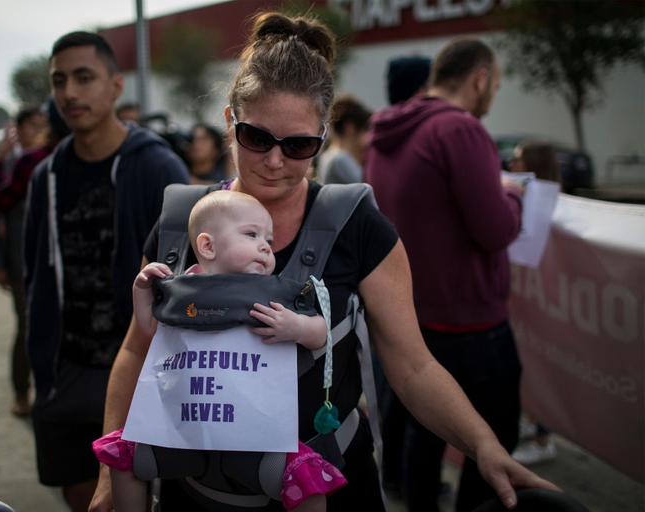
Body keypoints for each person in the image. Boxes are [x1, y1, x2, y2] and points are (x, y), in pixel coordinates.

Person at [91, 13, 558, 512]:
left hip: (331, 486)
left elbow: (413, 366)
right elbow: (137, 353)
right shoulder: (183, 222)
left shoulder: (357, 225)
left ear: (323, 135)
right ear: (230, 120)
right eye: (256, 137)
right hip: (198, 494)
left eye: (298, 146)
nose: (274, 161)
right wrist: (107, 476)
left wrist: (483, 446)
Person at [93, 190, 347, 512]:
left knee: (310, 487)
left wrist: (297, 328)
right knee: (122, 457)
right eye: (252, 234)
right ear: (207, 246)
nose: (266, 246)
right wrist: (141, 290)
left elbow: (321, 336)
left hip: (259, 440)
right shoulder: (180, 289)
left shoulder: (275, 294)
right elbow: (151, 332)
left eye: (268, 239)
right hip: (183, 427)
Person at [23, 31, 190, 512]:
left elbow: (189, 277)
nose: (70, 93)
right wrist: (41, 367)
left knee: (140, 497)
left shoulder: (157, 167)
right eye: (59, 81)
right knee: (79, 493)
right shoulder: (45, 177)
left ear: (116, 85)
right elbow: (35, 277)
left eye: (84, 77)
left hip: (138, 367)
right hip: (65, 367)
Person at [364, 37, 528, 512]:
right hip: (473, 322)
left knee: (427, 430)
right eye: (495, 84)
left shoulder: (387, 130)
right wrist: (511, 192)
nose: (492, 95)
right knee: (493, 438)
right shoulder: (460, 130)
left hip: (414, 313)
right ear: (479, 79)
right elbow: (495, 229)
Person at [370, 53, 433, 499]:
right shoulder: (436, 132)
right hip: (424, 288)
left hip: (379, 279)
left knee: (392, 390)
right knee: (414, 391)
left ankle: (391, 474)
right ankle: (410, 486)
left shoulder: (378, 137)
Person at [0, 101, 67, 417]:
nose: (39, 129)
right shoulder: (14, 165)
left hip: (58, 257)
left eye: (41, 122)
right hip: (21, 260)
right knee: (29, 325)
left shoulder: (57, 155)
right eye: (31, 124)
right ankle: (22, 389)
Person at [507, 139, 560, 466]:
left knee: (542, 366)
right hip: (527, 298)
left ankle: (543, 438)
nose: (511, 165)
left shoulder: (549, 205)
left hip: (545, 302)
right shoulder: (531, 199)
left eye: (517, 160)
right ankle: (533, 424)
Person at [316, 93, 372, 184]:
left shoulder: (329, 155)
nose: (368, 135)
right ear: (349, 128)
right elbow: (368, 187)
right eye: (365, 129)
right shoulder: (340, 159)